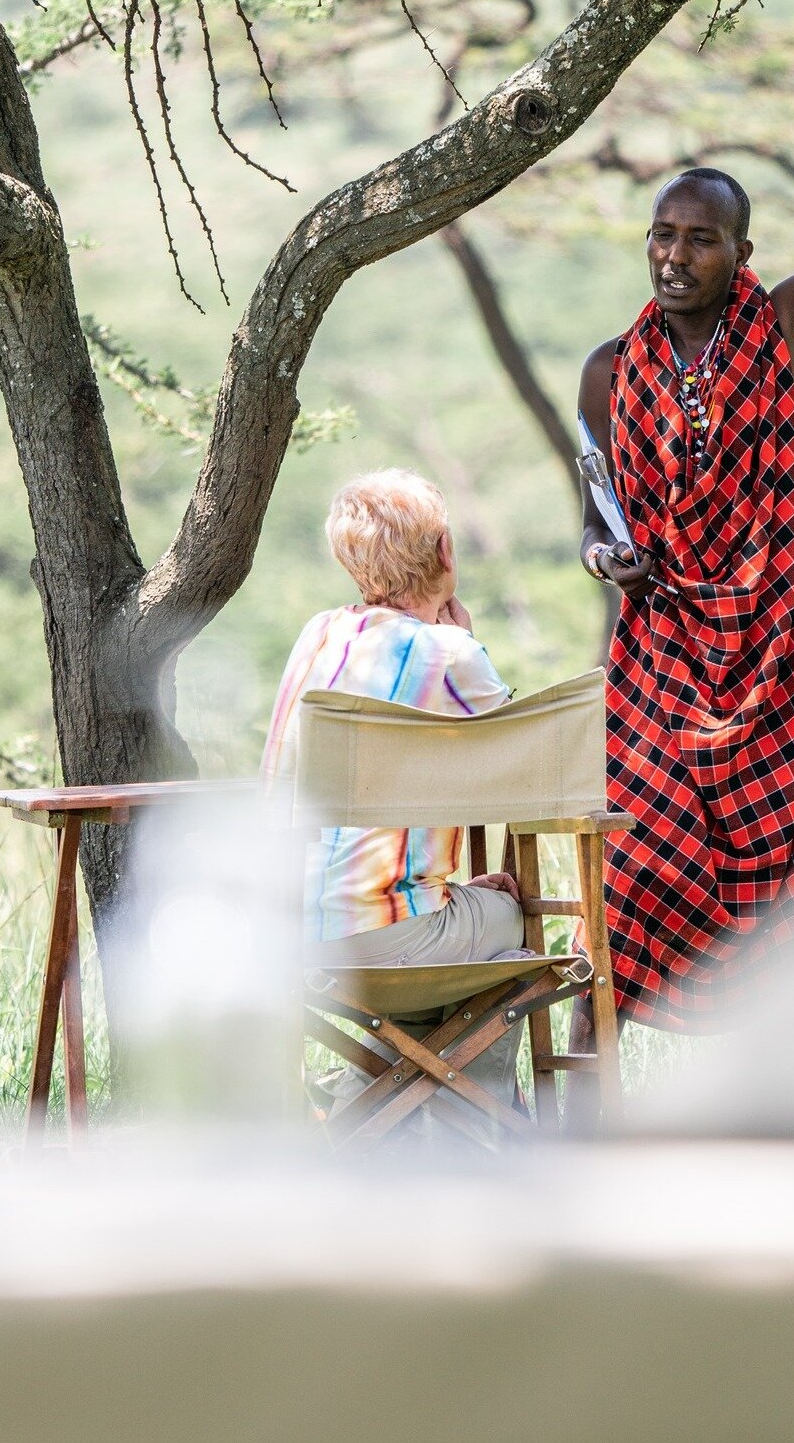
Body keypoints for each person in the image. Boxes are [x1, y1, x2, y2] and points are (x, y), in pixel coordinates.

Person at [575, 0, 794, 1038]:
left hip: (787, 647)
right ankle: (582, 1117)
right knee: (633, 869)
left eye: (701, 239)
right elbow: (596, 520)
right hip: (669, 654)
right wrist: (611, 562)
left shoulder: (783, 332)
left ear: (741, 255)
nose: (675, 254)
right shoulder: (608, 371)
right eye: (662, 234)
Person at [261, 468, 527, 1113]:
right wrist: (464, 638)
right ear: (442, 552)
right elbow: (526, 765)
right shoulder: (448, 653)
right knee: (508, 921)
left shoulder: (318, 633)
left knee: (448, 922)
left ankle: (376, 1104)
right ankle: (477, 1119)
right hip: (384, 937)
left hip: (284, 923)